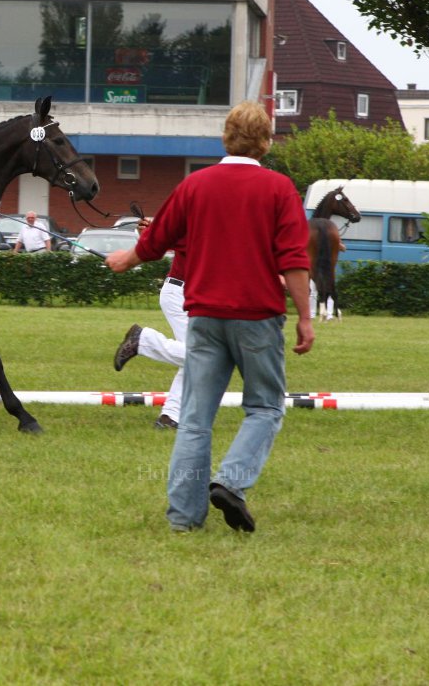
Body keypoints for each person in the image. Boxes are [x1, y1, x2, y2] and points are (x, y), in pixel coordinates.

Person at [106, 101, 313, 534]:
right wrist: (305, 318)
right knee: (265, 407)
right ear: (266, 143)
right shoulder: (280, 190)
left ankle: (183, 517)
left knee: (196, 418)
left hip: (202, 315)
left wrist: (124, 260)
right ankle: (231, 483)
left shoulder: (194, 186)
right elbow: (293, 260)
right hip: (257, 317)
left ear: (225, 137)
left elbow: (156, 237)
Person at [113, 223, 187, 429]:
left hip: (189, 294)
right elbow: (170, 237)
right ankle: (143, 340)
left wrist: (157, 226)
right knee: (204, 355)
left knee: (195, 359)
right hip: (181, 294)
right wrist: (157, 228)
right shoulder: (209, 224)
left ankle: (170, 417)